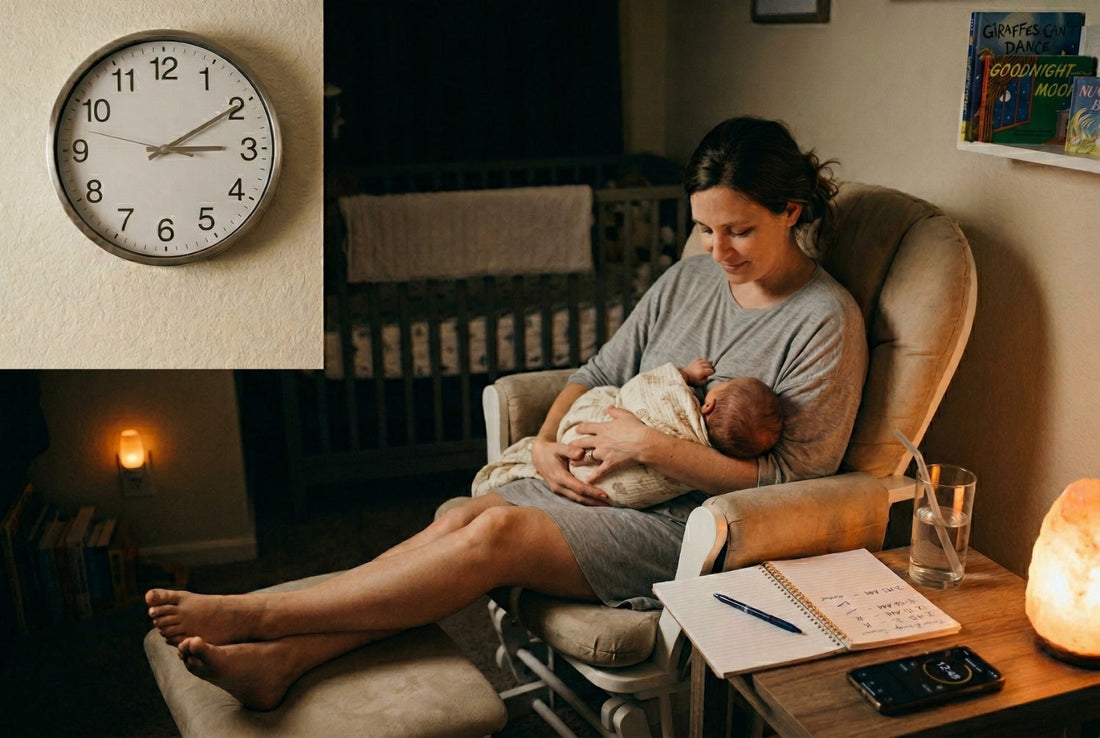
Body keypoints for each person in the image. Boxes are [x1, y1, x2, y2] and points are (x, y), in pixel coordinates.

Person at [146, 116, 868, 711]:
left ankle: (260, 616)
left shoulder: (824, 320)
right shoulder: (689, 278)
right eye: (705, 230)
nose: (717, 251)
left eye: (737, 231)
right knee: (457, 517)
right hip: (599, 483)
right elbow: (599, 372)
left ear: (791, 212)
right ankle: (284, 663)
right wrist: (547, 443)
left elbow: (789, 480)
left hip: (689, 526)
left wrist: (647, 444)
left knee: (490, 533)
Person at [470, 358, 785, 509]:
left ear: (707, 405)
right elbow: (598, 370)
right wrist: (542, 444)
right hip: (605, 496)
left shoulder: (683, 413)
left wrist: (684, 375)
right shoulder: (680, 280)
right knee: (464, 519)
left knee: (480, 524)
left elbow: (646, 387)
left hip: (587, 453)